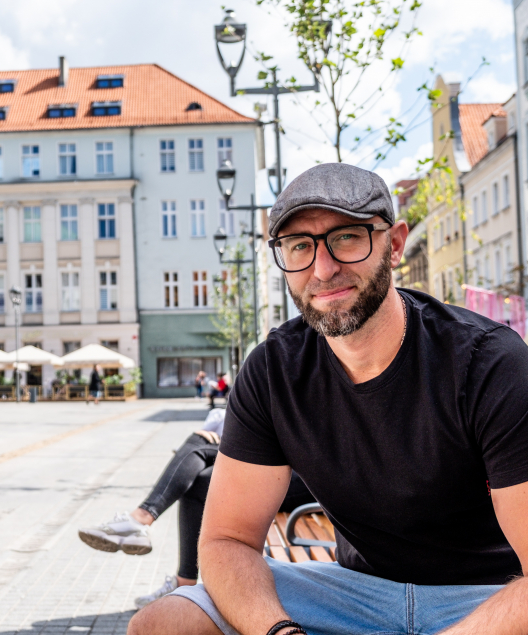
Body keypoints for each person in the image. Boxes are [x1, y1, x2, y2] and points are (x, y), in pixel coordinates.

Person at [129, 163, 528, 635]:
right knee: (162, 624)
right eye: (300, 246)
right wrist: (280, 632)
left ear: (394, 243)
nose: (323, 269)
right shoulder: (274, 370)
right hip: (354, 594)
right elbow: (227, 541)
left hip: (485, 596)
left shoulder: (488, 362)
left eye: (346, 237)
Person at [78, 408, 315, 610]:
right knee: (199, 461)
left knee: (199, 453)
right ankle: (173, 569)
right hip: (283, 465)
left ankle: (141, 523)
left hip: (306, 480)